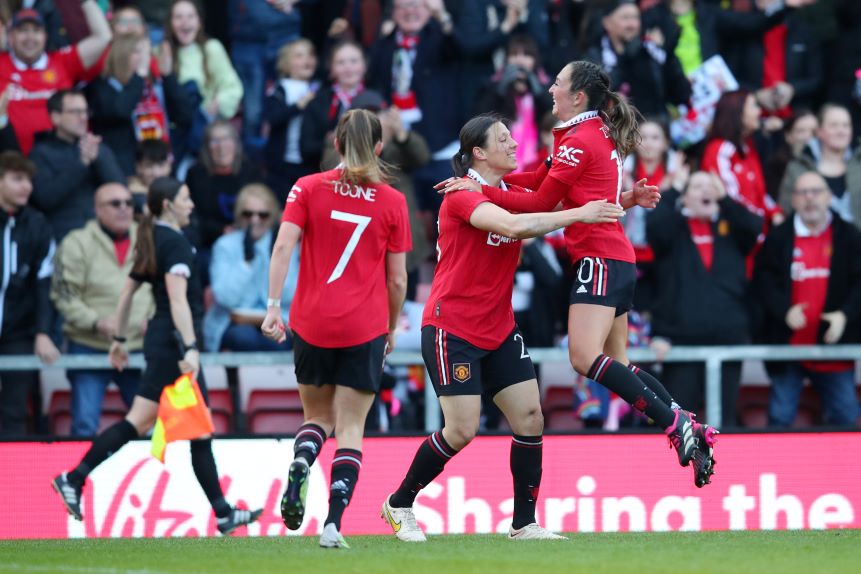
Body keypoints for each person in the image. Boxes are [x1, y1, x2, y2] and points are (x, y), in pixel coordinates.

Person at [440, 60, 717, 487]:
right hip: (616, 257)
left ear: (578, 96)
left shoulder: (579, 139)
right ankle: (686, 424)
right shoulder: (592, 134)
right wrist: (625, 196)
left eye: (557, 83)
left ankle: (672, 422)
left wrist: (482, 190)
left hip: (598, 258)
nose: (550, 88)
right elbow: (555, 183)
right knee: (618, 363)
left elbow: (542, 200)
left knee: (584, 358)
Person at [381, 114, 625, 542]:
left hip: (499, 327)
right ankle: (399, 503)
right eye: (504, 139)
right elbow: (516, 226)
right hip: (451, 328)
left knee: (531, 418)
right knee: (461, 430)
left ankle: (524, 524)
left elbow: (559, 188)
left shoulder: (509, 191)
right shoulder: (460, 195)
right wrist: (579, 214)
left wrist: (629, 198)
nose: (514, 144)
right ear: (479, 152)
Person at [51, 177, 262, 535]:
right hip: (175, 347)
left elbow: (126, 293)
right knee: (170, 425)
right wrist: (192, 347)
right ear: (168, 205)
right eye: (185, 198)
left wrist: (118, 338)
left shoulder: (151, 238)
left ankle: (223, 512)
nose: (191, 205)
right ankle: (73, 478)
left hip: (163, 342)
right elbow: (178, 301)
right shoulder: (176, 244)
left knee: (188, 428)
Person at [261, 109, 412, 549]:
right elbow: (398, 279)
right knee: (350, 430)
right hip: (362, 327)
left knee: (316, 418)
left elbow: (284, 244)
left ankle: (303, 460)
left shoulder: (307, 187)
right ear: (380, 148)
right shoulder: (393, 202)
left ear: (336, 145)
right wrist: (389, 326)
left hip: (311, 322)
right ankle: (333, 525)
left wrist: (273, 308)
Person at [646, 171, 763, 427]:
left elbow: (754, 228)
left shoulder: (730, 228)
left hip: (727, 339)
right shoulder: (673, 229)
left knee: (725, 419)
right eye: (697, 186)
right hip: (680, 341)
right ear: (685, 197)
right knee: (679, 422)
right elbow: (654, 227)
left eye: (710, 186)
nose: (705, 191)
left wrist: (726, 199)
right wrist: (673, 189)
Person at [754, 171, 861, 427]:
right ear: (793, 199)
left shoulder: (849, 235)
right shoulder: (779, 237)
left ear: (828, 196)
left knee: (846, 418)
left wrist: (845, 314)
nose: (810, 198)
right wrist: (784, 311)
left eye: (816, 191)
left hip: (835, 350)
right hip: (789, 349)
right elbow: (763, 281)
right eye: (803, 193)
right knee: (779, 418)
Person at [50, 184, 153, 436]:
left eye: (129, 203)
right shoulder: (76, 242)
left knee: (150, 426)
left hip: (138, 344)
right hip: (90, 343)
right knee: (84, 425)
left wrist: (154, 318)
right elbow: (64, 294)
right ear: (97, 209)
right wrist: (95, 322)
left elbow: (163, 287)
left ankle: (151, 475)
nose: (124, 209)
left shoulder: (148, 237)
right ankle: (80, 476)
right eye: (115, 203)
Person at [0, 2, 112, 155]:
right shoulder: (1, 63)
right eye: (23, 31)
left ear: (45, 36)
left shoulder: (62, 62)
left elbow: (103, 37)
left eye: (36, 30)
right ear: (11, 36)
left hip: (63, 161)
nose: (30, 37)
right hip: (11, 162)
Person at [0, 151, 59, 435]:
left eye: (28, 180)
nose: (27, 187)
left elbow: (44, 283)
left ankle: (7, 476)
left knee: (14, 408)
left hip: (19, 332)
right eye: (17, 179)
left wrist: (43, 332)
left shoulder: (38, 224)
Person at [204, 183, 298, 352]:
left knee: (278, 341)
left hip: (277, 320)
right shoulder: (225, 245)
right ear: (240, 216)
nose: (255, 220)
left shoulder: (285, 245)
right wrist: (246, 263)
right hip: (232, 322)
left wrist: (274, 260)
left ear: (272, 217)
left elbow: (289, 295)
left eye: (263, 215)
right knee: (243, 337)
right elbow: (225, 297)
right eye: (248, 214)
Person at [87, 32, 193, 176]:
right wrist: (139, 75)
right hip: (125, 172)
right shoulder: (102, 87)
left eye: (148, 52)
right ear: (121, 55)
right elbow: (120, 109)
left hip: (163, 167)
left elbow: (185, 115)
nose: (145, 58)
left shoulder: (154, 86)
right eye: (138, 52)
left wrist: (168, 76)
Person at [29, 90, 125, 242]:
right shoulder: (39, 154)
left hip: (103, 235)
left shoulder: (97, 148)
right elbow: (45, 198)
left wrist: (98, 158)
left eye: (86, 111)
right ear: (56, 117)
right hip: (63, 236)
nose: (84, 117)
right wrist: (82, 163)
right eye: (76, 112)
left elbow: (120, 190)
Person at [779, 104, 861, 225]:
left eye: (846, 125)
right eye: (834, 125)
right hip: (811, 242)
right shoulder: (797, 167)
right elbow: (785, 211)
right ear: (819, 131)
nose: (841, 131)